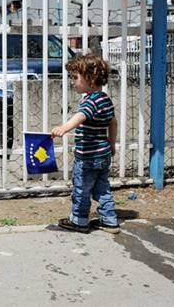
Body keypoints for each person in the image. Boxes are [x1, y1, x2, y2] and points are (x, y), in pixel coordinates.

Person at [50, 54, 119, 234]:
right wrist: (111, 144)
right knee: (102, 188)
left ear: (91, 78)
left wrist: (64, 128)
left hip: (87, 157)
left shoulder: (90, 101)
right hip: (103, 155)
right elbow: (113, 123)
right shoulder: (105, 99)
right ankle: (109, 220)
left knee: (81, 190)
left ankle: (79, 221)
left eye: (75, 78)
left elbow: (81, 116)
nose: (73, 82)